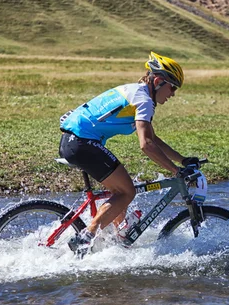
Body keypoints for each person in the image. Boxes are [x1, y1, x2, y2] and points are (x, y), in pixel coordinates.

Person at [58, 51, 199, 257]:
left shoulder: (137, 92)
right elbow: (147, 145)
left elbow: (153, 137)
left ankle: (117, 241)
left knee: (119, 193)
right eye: (172, 87)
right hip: (81, 142)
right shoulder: (144, 100)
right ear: (158, 81)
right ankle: (86, 237)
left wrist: (182, 159)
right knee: (127, 192)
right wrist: (176, 171)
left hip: (77, 141)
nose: (173, 94)